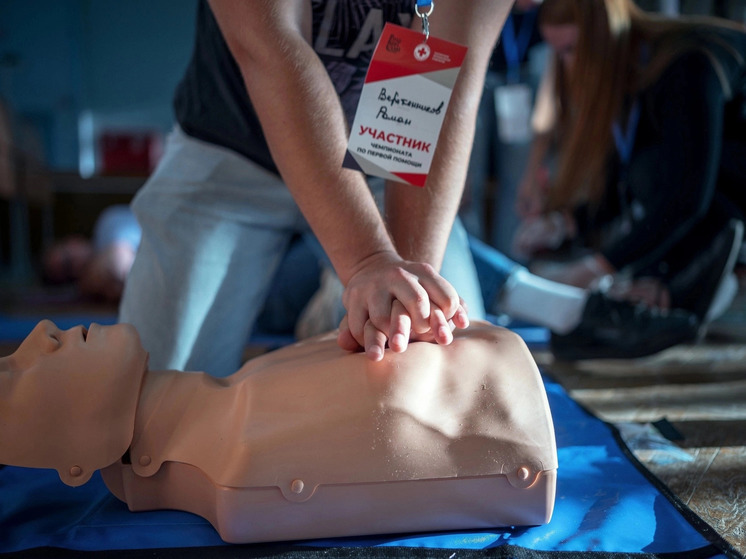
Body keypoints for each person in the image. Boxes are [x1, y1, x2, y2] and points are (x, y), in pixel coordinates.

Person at [118, 0, 515, 378]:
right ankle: (331, 301)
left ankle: (332, 308)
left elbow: (447, 68)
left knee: (442, 364)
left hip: (383, 154)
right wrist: (368, 260)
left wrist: (404, 298)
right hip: (230, 148)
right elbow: (271, 47)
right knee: (154, 388)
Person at [0, 319, 557, 543]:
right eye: (12, 374)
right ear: (76, 465)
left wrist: (379, 260)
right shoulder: (245, 463)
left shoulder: (245, 394)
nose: (42, 332)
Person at [511, 0, 746, 331]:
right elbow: (622, 180)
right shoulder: (640, 72)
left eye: (572, 49)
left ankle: (700, 278)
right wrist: (566, 223)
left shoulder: (686, 64)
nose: (569, 65)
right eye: (559, 53)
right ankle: (674, 282)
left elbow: (687, 195)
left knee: (657, 175)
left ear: (603, 36)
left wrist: (598, 267)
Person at [42, 205, 141, 302]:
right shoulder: (102, 289)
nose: (75, 270)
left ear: (72, 241)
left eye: (67, 262)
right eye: (69, 278)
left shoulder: (107, 224)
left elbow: (120, 266)